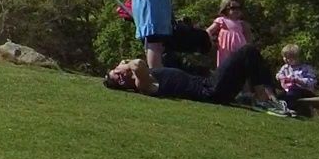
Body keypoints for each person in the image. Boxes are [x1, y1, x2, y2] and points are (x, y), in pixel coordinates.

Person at [104, 44, 293, 114]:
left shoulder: (147, 75)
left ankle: (270, 98)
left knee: (250, 56)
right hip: (211, 91)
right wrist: (124, 64)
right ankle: (264, 100)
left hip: (210, 84)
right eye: (119, 77)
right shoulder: (142, 85)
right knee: (247, 52)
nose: (122, 74)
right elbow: (138, 63)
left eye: (117, 71)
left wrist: (122, 66)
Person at [205, 0, 250, 69]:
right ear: (226, 9)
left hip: (240, 48)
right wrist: (211, 41)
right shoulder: (222, 20)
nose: (236, 10)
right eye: (233, 8)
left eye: (238, 8)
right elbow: (209, 31)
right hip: (226, 49)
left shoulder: (241, 23)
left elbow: (247, 39)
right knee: (226, 66)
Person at [276, 44, 317, 115]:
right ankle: (280, 107)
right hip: (289, 90)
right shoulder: (285, 67)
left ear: (298, 58)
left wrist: (298, 80)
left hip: (304, 90)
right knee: (281, 95)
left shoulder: (306, 68)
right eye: (284, 57)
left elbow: (312, 81)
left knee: (293, 93)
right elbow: (278, 74)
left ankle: (290, 109)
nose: (286, 60)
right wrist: (280, 77)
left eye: (289, 58)